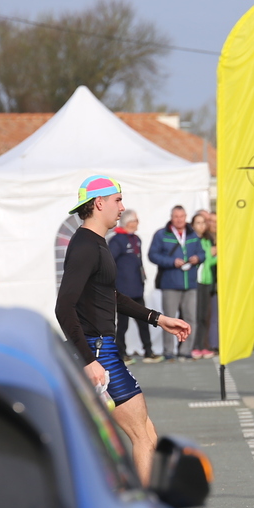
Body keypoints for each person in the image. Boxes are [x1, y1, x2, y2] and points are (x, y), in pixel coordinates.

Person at [55, 176, 191, 488]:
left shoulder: (95, 243)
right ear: (99, 203)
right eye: (117, 200)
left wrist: (158, 319)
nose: (122, 207)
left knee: (146, 433)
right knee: (142, 436)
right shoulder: (85, 246)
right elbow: (64, 307)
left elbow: (110, 296)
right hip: (97, 353)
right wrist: (89, 361)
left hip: (102, 351)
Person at [147, 206, 202, 359]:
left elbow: (202, 252)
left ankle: (186, 350)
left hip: (190, 283)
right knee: (168, 318)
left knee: (190, 318)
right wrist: (171, 262)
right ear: (171, 217)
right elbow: (152, 255)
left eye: (181, 216)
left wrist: (198, 258)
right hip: (170, 283)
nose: (179, 219)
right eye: (176, 216)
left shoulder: (192, 234)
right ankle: (169, 350)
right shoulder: (161, 234)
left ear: (186, 217)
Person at [108, 209, 159, 362]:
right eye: (136, 220)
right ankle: (121, 353)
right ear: (129, 222)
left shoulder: (136, 239)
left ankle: (148, 351)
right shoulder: (117, 241)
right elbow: (109, 262)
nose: (138, 223)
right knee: (123, 324)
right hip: (123, 290)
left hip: (137, 288)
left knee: (144, 320)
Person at [190, 210, 217, 358]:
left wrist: (218, 254)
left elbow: (209, 261)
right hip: (197, 281)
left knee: (205, 316)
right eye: (198, 223)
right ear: (193, 225)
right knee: (197, 315)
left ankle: (203, 345)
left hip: (207, 280)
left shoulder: (207, 240)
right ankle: (195, 346)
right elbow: (204, 259)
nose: (201, 226)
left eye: (203, 223)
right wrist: (213, 254)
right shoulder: (192, 240)